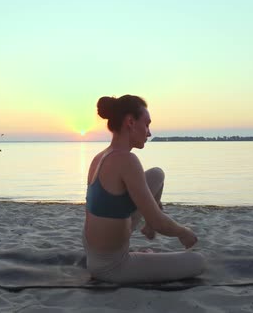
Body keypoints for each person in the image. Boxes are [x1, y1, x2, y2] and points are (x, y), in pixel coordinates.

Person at [83, 94, 206, 284]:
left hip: (95, 255)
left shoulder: (101, 157)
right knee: (197, 262)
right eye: (147, 124)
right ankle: (139, 254)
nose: (149, 132)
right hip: (112, 266)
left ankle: (145, 231)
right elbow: (159, 222)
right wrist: (184, 232)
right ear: (130, 122)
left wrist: (151, 220)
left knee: (157, 174)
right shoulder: (127, 160)